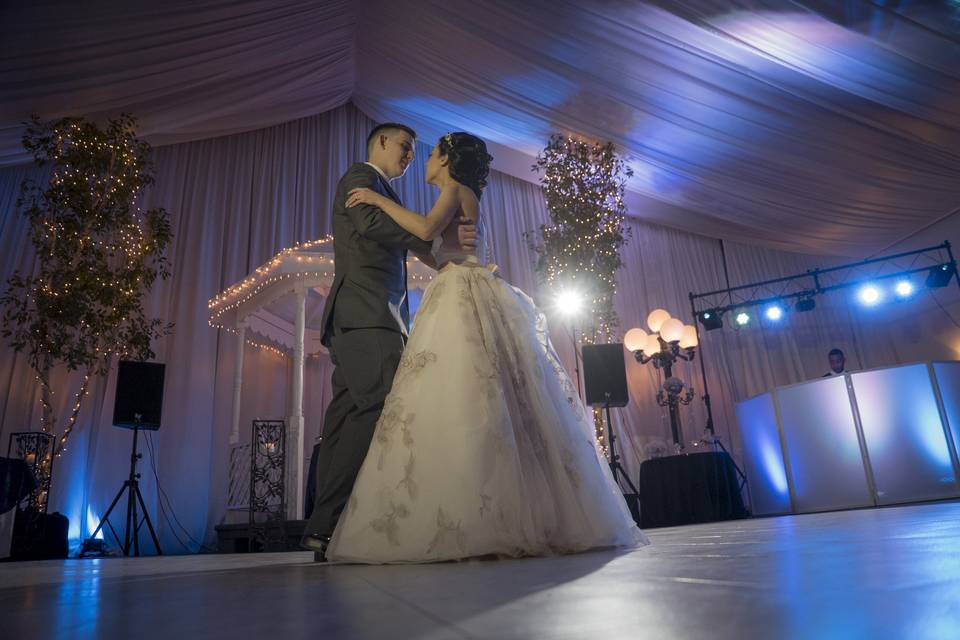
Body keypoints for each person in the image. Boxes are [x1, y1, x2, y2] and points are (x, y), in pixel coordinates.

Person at [325, 132, 648, 563]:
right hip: (450, 286)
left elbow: (424, 231)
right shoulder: (448, 192)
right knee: (472, 391)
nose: (418, 158)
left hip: (458, 291)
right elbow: (436, 247)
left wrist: (380, 201)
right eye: (406, 147)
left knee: (468, 390)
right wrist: (434, 247)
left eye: (429, 152)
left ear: (448, 160)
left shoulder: (455, 190)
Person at [300, 123, 476, 561]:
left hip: (365, 317)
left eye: (415, 152)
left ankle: (323, 527)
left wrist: (441, 245)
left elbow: (405, 235)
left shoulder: (382, 190)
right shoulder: (361, 180)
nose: (410, 156)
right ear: (381, 142)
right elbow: (377, 225)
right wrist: (435, 236)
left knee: (343, 421)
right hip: (368, 315)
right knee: (377, 408)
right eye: (405, 146)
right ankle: (332, 523)